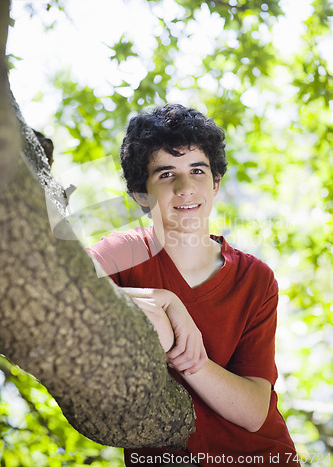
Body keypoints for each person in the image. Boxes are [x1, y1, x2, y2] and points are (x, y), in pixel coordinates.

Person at [87, 104, 300, 467]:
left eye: (197, 170)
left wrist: (187, 357)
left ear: (215, 184)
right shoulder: (122, 254)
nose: (186, 187)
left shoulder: (255, 279)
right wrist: (162, 300)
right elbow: (51, 295)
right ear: (141, 194)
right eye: (166, 174)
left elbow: (252, 411)